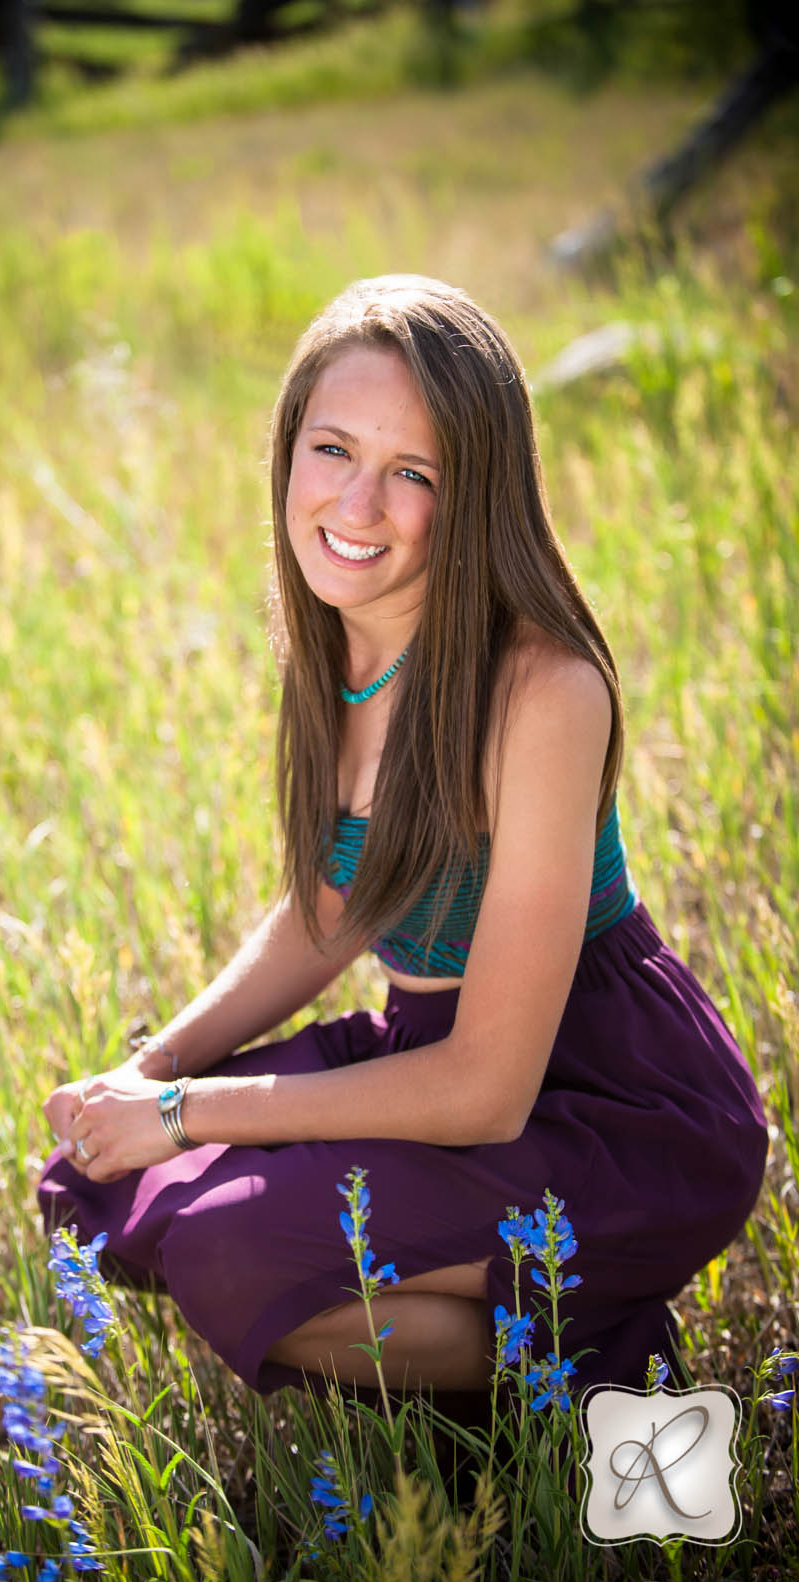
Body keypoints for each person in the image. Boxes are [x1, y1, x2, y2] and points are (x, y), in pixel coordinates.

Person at [38, 275, 767, 1401]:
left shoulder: (542, 688)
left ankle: (592, 1368)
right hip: (422, 1045)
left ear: (474, 495)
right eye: (332, 449)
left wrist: (182, 1115)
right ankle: (540, 1317)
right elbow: (334, 910)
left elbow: (486, 1090)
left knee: (224, 1251)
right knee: (94, 1186)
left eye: (412, 473)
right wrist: (149, 1070)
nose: (358, 504)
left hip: (607, 1105)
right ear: (286, 452)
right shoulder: (340, 636)